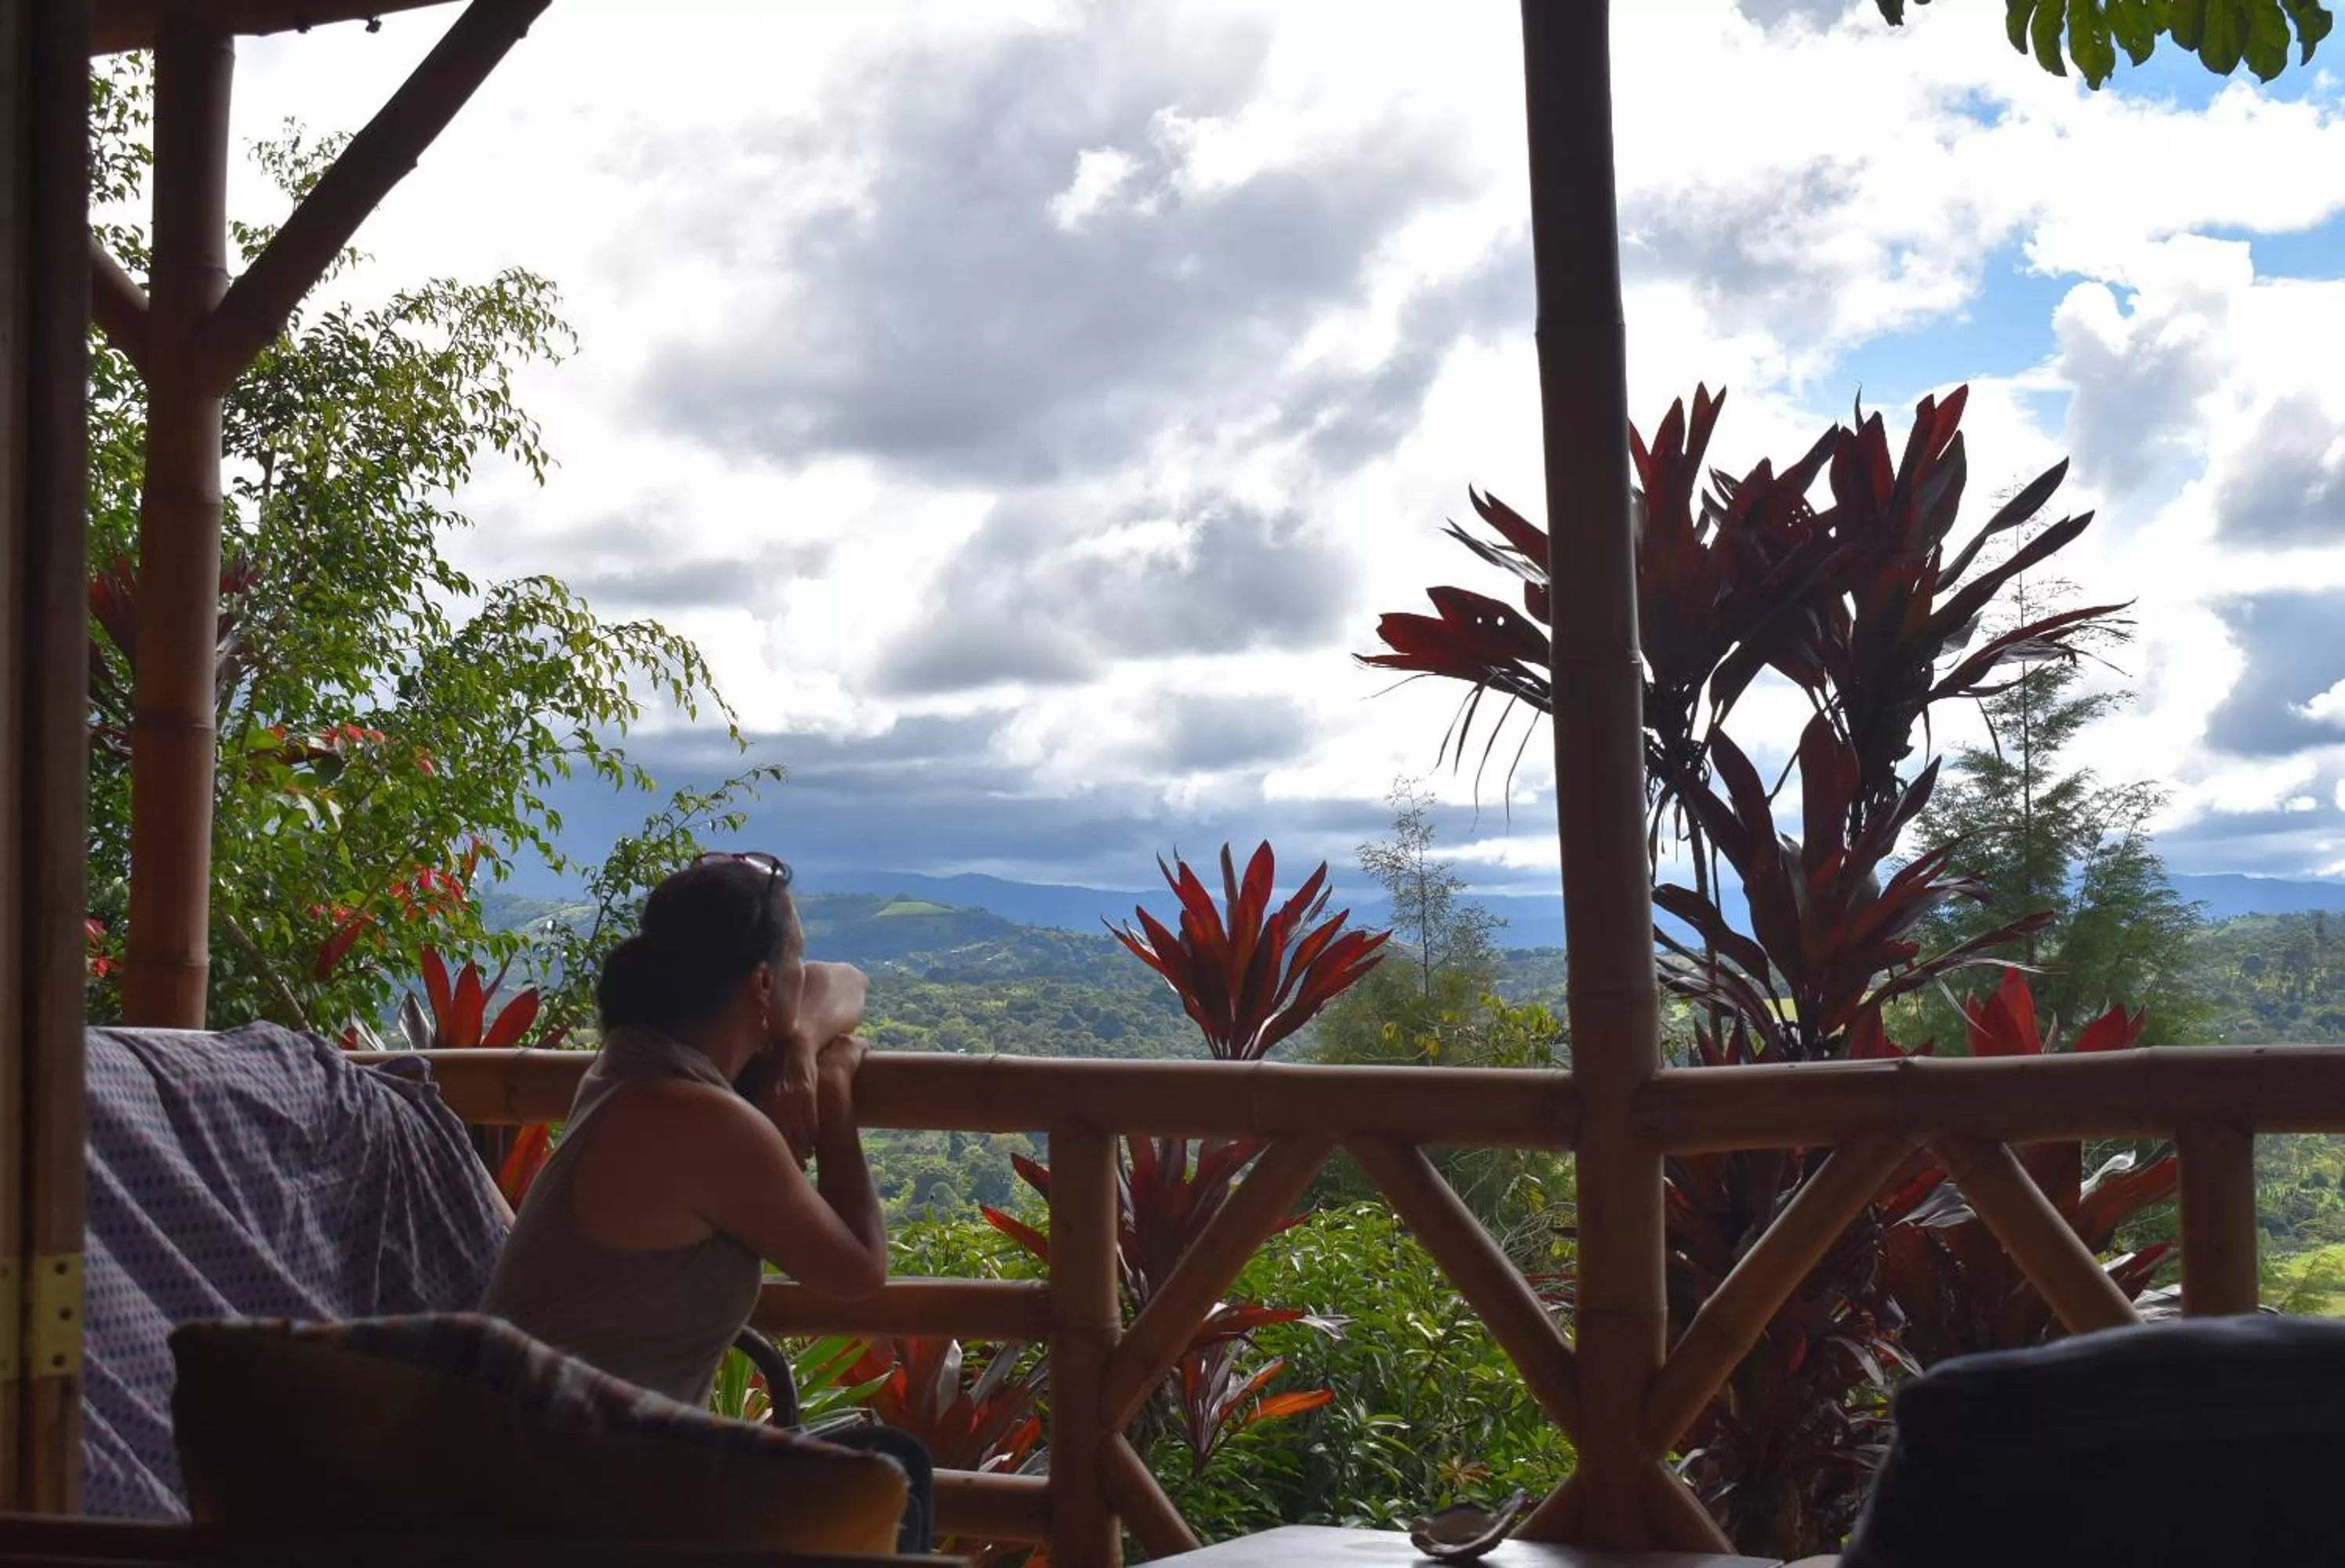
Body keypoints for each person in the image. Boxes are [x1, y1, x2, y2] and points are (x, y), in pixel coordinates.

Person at [478, 851, 931, 1552]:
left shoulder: (634, 1060)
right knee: (891, 1470)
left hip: (544, 1461)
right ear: (758, 985)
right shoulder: (693, 1118)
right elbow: (859, 1270)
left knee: (888, 1463)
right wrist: (834, 1091)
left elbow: (844, 983)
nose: (805, 973)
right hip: (586, 1500)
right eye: (793, 959)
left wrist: (804, 1049)